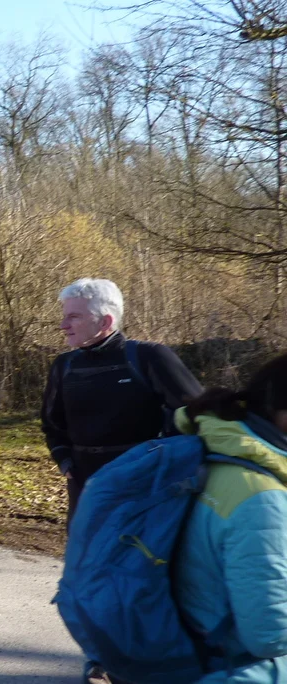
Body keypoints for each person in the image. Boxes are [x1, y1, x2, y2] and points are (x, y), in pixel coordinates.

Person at [42, 278, 202, 526]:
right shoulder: (64, 365)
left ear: (105, 322)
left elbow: (198, 413)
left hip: (142, 487)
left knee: (134, 550)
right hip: (84, 486)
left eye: (73, 317)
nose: (63, 325)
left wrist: (158, 463)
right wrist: (64, 460)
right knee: (85, 549)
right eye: (65, 317)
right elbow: (52, 422)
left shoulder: (149, 357)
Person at [174, 353, 287, 683]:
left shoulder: (214, 452)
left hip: (192, 653)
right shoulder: (260, 498)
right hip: (232, 669)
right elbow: (270, 635)